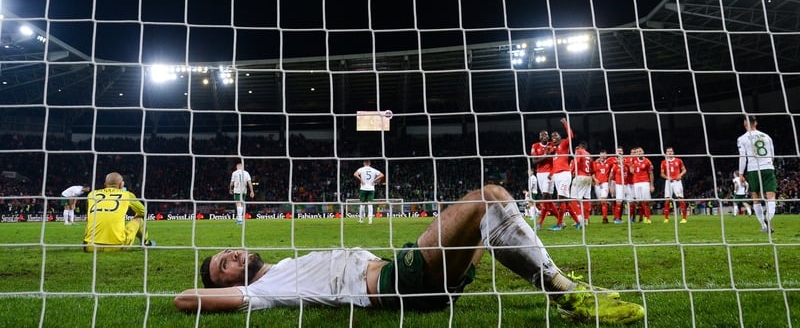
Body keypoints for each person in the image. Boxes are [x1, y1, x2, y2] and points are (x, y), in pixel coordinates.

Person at [174, 184, 645, 324]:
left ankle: (566, 293)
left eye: (226, 253)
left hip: (411, 278)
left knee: (488, 217)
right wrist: (228, 287)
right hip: (402, 284)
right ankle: (571, 293)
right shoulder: (264, 291)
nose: (232, 254)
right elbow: (184, 300)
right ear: (230, 282)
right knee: (488, 197)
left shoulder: (279, 268)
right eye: (224, 264)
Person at [83, 172, 153, 252]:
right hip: (118, 246)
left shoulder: (92, 194)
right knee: (139, 219)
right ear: (121, 185)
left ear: (105, 184)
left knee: (90, 218)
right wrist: (134, 217)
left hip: (91, 247)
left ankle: (89, 239)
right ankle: (146, 243)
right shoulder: (127, 195)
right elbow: (144, 211)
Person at [737, 115, 777, 233]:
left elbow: (743, 157)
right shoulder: (766, 136)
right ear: (756, 123)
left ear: (745, 123)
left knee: (756, 198)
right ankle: (769, 221)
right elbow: (772, 154)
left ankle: (764, 226)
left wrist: (740, 173)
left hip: (753, 169)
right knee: (771, 197)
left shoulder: (742, 138)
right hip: (768, 167)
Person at [548, 118, 583, 230]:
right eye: (552, 136)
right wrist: (551, 173)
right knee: (565, 202)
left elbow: (571, 135)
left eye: (556, 136)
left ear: (560, 137)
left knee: (561, 199)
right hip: (557, 175)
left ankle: (559, 224)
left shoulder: (564, 144)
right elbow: (555, 163)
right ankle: (578, 222)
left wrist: (565, 123)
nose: (554, 137)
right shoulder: (553, 149)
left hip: (564, 174)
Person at [530, 130, 559, 229]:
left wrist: (548, 156)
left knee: (545, 195)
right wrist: (545, 156)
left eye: (546, 135)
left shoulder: (551, 145)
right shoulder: (535, 146)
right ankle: (560, 220)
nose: (545, 136)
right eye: (542, 135)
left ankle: (540, 223)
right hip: (539, 174)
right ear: (539, 138)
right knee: (548, 199)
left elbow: (555, 158)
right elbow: (534, 161)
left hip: (549, 173)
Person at [660, 147, 688, 224]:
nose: (670, 153)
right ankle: (666, 218)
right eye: (668, 151)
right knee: (667, 199)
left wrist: (680, 175)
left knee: (680, 198)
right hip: (668, 182)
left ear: (673, 152)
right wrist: (667, 177)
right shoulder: (663, 162)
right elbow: (662, 173)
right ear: (666, 153)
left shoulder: (678, 160)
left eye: (671, 151)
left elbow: (684, 170)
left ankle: (684, 218)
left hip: (677, 182)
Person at [354, 159, 385, 224]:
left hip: (363, 188)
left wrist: (361, 180)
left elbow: (355, 174)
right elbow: (382, 175)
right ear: (369, 163)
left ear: (364, 163)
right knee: (370, 204)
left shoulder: (361, 169)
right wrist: (374, 180)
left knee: (362, 204)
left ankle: (361, 219)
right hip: (371, 188)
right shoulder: (373, 170)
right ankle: (370, 220)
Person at [571, 141, 594, 225]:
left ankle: (579, 219)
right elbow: (592, 168)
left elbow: (576, 161)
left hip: (580, 176)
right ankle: (586, 219)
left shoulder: (579, 151)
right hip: (588, 177)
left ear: (581, 146)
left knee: (573, 199)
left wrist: (571, 171)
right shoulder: (589, 154)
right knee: (586, 199)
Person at [630, 147, 655, 224]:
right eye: (637, 152)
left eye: (640, 151)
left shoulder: (647, 161)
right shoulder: (634, 159)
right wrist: (631, 169)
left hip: (645, 182)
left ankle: (648, 218)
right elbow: (630, 167)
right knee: (639, 201)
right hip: (636, 183)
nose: (639, 152)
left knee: (646, 201)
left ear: (643, 152)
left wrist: (651, 185)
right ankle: (643, 217)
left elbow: (651, 173)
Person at [592, 150, 613, 224]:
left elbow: (616, 158)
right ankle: (604, 216)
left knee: (603, 200)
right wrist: (595, 179)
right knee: (600, 202)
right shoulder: (595, 163)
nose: (603, 156)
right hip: (597, 184)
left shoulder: (609, 162)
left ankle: (605, 218)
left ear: (606, 156)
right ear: (599, 155)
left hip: (605, 184)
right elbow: (593, 173)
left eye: (604, 155)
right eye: (601, 155)